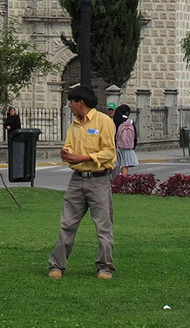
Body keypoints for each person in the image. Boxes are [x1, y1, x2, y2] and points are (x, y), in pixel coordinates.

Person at [47, 86, 116, 280]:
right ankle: (57, 265)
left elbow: (109, 152)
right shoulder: (74, 125)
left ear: (81, 103)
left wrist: (84, 157)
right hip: (77, 180)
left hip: (99, 180)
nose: (69, 106)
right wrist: (66, 154)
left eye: (71, 102)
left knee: (103, 226)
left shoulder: (104, 122)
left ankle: (105, 267)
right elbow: (69, 148)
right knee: (67, 224)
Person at [113, 105, 138, 176]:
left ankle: (117, 180)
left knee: (116, 165)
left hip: (118, 146)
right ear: (127, 112)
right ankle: (123, 180)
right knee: (125, 165)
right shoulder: (130, 122)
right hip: (128, 147)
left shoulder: (116, 121)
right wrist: (133, 146)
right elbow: (135, 136)